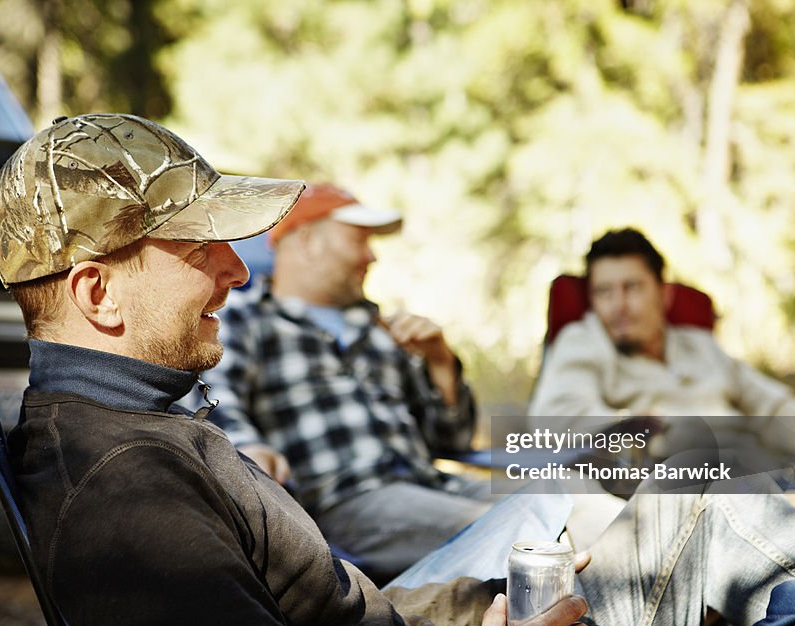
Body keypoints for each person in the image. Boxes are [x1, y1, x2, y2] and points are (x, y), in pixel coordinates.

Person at [0, 114, 795, 626]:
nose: (236, 268)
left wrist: (482, 613)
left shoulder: (141, 431)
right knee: (701, 503)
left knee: (692, 490)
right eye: (199, 248)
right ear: (97, 293)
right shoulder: (126, 495)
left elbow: (342, 621)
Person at [188, 182, 546, 581]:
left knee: (571, 500)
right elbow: (215, 400)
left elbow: (453, 441)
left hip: (434, 488)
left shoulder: (383, 329)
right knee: (533, 532)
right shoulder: (248, 319)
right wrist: (247, 448)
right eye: (359, 241)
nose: (371, 256)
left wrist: (441, 363)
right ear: (306, 240)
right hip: (347, 502)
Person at [529, 226, 795, 579]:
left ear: (664, 293)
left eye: (632, 287)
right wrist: (653, 428)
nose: (618, 306)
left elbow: (789, 417)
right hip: (712, 499)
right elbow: (555, 423)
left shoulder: (699, 347)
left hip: (784, 479)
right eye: (603, 292)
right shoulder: (584, 340)